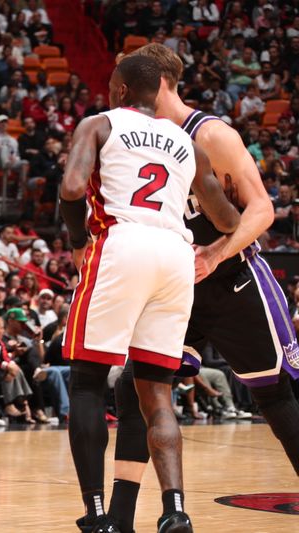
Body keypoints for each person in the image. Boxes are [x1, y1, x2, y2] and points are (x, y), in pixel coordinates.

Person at [108, 43, 299, 533]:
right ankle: (121, 518)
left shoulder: (209, 133)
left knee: (276, 397)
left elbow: (261, 209)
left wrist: (217, 252)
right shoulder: (136, 140)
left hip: (233, 279)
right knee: (138, 392)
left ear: (158, 81)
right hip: (176, 286)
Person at [59, 56, 240, 533]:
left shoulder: (99, 124)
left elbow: (73, 187)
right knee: (157, 392)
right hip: (176, 254)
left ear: (119, 91)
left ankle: (96, 514)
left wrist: (79, 243)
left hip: (124, 243)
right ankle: (175, 509)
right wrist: (216, 251)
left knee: (87, 381)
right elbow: (228, 220)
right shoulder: (187, 142)